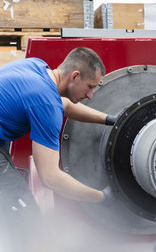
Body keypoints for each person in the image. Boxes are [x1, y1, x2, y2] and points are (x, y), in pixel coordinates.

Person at [0, 47, 118, 251]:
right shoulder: (44, 103)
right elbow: (51, 178)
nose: (90, 95)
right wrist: (101, 197)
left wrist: (110, 120)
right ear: (75, 76)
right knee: (23, 214)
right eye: (90, 87)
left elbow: (64, 105)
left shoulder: (38, 68)